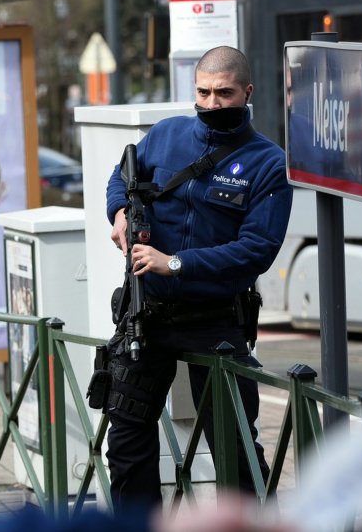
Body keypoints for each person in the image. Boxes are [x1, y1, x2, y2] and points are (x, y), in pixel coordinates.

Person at [104, 46, 294, 513]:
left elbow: (257, 250)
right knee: (126, 446)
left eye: (224, 93)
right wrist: (120, 211)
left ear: (246, 93)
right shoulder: (166, 134)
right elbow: (119, 177)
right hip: (145, 316)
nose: (211, 104)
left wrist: (177, 263)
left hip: (215, 323)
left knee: (235, 454)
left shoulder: (268, 163)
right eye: (203, 92)